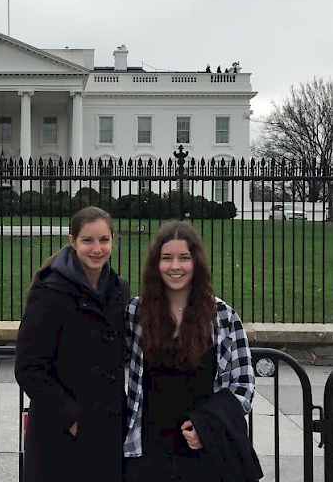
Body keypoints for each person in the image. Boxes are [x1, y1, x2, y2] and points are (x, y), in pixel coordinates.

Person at [123, 220, 262, 482]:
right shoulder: (136, 313)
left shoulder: (222, 316)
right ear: (156, 264)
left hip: (204, 451)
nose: (175, 266)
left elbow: (243, 385)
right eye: (167, 258)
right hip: (148, 453)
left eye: (184, 258)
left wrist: (207, 428)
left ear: (195, 262)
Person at [15, 206, 130, 482]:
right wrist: (72, 419)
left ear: (113, 240)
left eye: (104, 240)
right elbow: (29, 368)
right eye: (87, 240)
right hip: (60, 433)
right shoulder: (49, 292)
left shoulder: (118, 289)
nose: (96, 249)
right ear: (72, 241)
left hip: (108, 428)